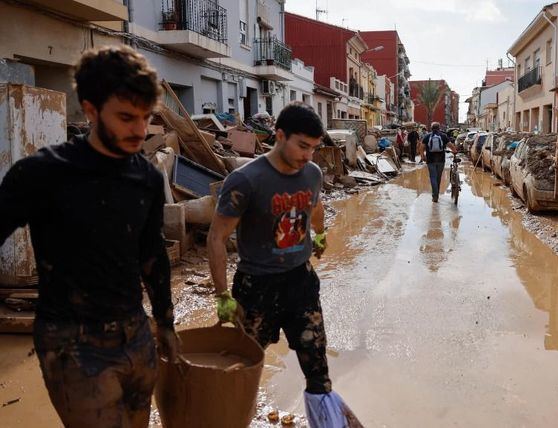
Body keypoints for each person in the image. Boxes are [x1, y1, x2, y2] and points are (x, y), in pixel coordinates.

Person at [0, 45, 178, 427]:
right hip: (72, 345)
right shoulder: (42, 175)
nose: (140, 131)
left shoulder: (145, 177)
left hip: (136, 334)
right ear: (92, 109)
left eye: (146, 117)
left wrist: (165, 323)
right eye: (127, 117)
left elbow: (152, 256)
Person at [207, 103, 362, 427]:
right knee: (242, 368)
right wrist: (222, 295)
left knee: (317, 368)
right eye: (302, 146)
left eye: (314, 148)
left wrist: (319, 235)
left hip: (300, 284)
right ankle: (230, 418)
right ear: (279, 135)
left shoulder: (313, 174)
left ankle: (327, 421)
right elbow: (217, 237)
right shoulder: (246, 180)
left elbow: (316, 206)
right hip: (256, 288)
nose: (308, 155)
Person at [418, 122, 458, 203]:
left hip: (430, 160)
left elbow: (421, 147)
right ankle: (437, 194)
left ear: (431, 128)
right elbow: (450, 145)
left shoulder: (427, 136)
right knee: (438, 178)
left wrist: (423, 156)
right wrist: (454, 151)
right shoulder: (443, 136)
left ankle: (435, 196)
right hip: (441, 160)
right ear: (439, 128)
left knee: (433, 177)